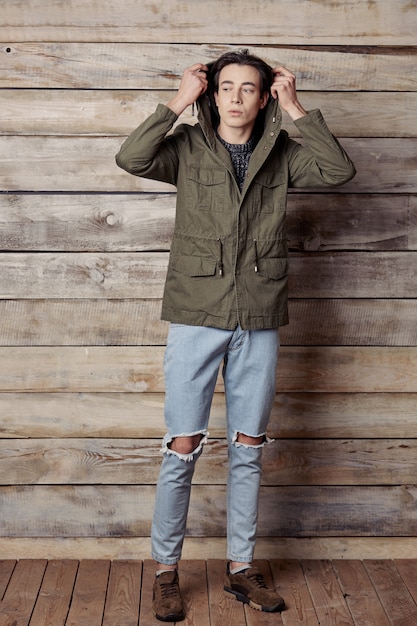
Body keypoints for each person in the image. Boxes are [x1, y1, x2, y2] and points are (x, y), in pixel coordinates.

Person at [116, 49, 355, 622]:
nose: (237, 97)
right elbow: (131, 157)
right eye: (227, 87)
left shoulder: (282, 154)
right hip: (197, 311)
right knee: (182, 447)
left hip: (260, 311)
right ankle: (166, 572)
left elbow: (338, 170)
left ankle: (240, 570)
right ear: (212, 94)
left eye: (250, 88)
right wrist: (176, 100)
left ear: (264, 95)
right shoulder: (185, 147)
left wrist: (296, 107)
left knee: (249, 445)